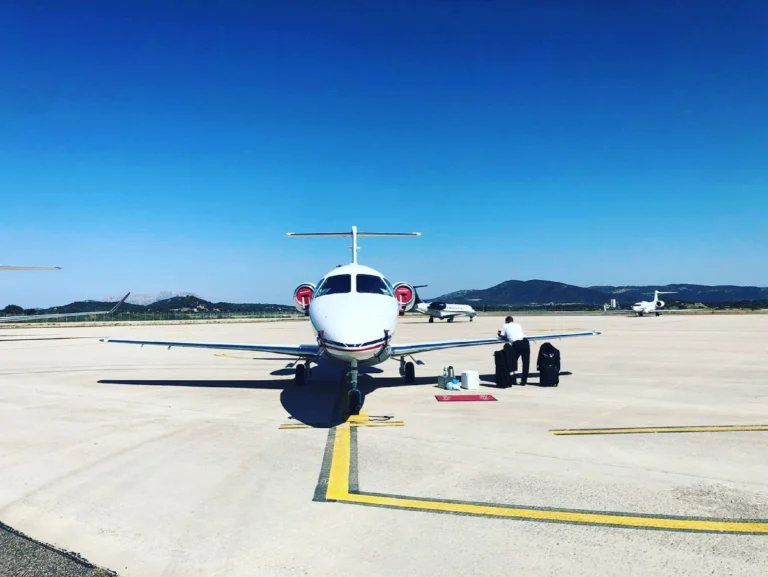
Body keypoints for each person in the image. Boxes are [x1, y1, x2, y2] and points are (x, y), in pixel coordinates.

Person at [497, 316, 530, 385]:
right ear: (512, 321)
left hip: (517, 344)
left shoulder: (505, 325)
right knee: (526, 363)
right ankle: (524, 381)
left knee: (513, 362)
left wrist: (499, 334)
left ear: (506, 321)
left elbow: (503, 336)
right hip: (525, 342)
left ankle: (513, 379)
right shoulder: (518, 325)